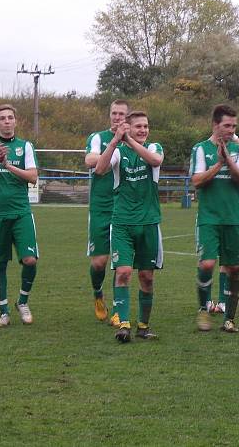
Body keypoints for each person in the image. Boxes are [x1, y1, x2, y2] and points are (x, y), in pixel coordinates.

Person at [94, 110, 163, 342]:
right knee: (123, 272)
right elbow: (100, 169)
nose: (143, 130)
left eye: (145, 126)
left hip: (149, 223)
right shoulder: (118, 153)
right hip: (122, 223)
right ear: (128, 127)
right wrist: (115, 141)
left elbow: (155, 161)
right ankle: (123, 325)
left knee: (146, 277)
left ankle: (143, 327)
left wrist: (129, 140)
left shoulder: (154, 148)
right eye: (137, 127)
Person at [0, 104, 40, 327]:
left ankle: (22, 301)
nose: (6, 121)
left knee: (30, 260)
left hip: (21, 212)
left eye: (10, 117)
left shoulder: (25, 146)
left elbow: (33, 177)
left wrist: (9, 166)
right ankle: (3, 311)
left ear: (16, 121)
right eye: (2, 118)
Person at [191, 104, 239, 333]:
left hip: (234, 217)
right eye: (227, 125)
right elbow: (197, 181)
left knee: (233, 268)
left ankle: (229, 319)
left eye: (234, 126)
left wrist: (230, 161)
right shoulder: (200, 149)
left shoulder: (238, 150)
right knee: (207, 264)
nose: (231, 130)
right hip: (209, 217)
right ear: (215, 125)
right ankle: (203, 310)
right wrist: (218, 164)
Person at [85, 99, 129, 324]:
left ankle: (117, 309)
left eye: (122, 114)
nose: (117, 117)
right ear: (109, 115)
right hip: (101, 207)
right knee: (99, 262)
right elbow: (90, 160)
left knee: (119, 262)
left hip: (124, 207)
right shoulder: (98, 138)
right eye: (114, 113)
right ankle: (97, 293)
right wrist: (113, 142)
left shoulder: (132, 140)